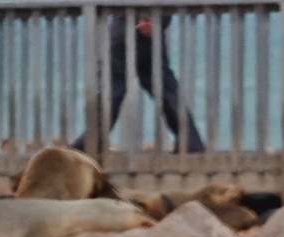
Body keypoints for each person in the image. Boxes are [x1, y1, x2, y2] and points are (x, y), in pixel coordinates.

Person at [77, 15, 205, 153]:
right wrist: (156, 20)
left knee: (113, 90)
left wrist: (147, 19)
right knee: (164, 89)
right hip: (144, 31)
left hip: (129, 30)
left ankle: (90, 142)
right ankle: (191, 142)